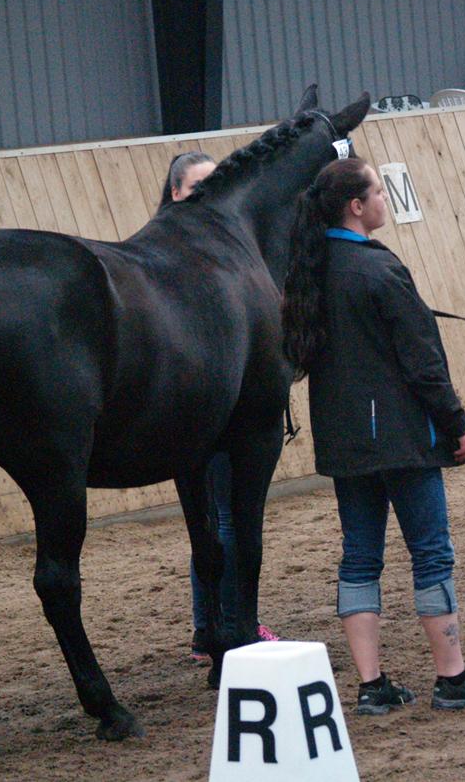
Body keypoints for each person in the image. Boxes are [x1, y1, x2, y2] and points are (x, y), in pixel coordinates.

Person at [280, 157, 465, 714]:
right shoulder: (378, 270)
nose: (386, 199)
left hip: (344, 440)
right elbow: (423, 363)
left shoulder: (310, 271)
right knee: (431, 553)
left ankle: (372, 685)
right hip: (402, 438)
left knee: (359, 558)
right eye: (379, 191)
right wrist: (456, 422)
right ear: (357, 207)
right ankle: (452, 677)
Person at [161, 151, 280, 662]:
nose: (210, 198)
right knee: (224, 521)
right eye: (197, 188)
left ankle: (209, 624)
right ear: (175, 194)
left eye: (215, 186)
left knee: (211, 524)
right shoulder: (184, 260)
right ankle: (229, 622)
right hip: (209, 410)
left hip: (203, 406)